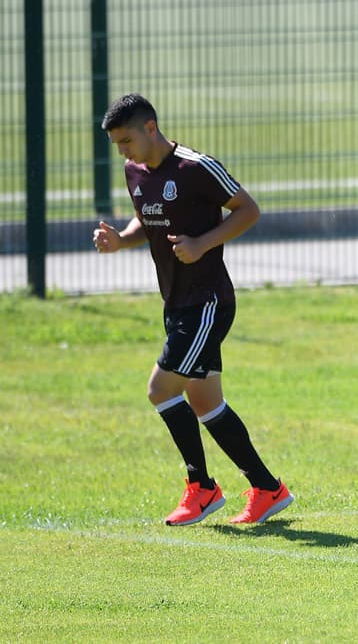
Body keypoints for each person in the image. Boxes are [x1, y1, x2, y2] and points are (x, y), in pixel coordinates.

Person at [93, 93, 293, 526]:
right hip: (176, 302)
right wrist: (120, 240)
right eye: (116, 145)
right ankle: (268, 488)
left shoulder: (195, 167)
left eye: (126, 140)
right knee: (206, 403)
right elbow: (147, 223)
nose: (123, 152)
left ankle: (201, 488)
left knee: (160, 390)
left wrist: (202, 243)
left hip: (207, 303)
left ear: (151, 127)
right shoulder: (134, 171)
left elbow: (249, 209)